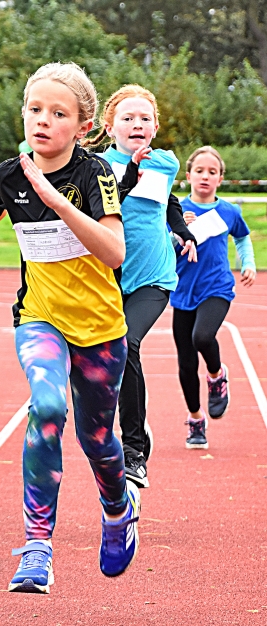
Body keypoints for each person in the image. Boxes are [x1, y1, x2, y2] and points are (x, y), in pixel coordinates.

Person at [0, 62, 141, 594]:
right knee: (47, 408)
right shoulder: (11, 173)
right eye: (34, 110)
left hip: (98, 328)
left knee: (97, 440)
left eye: (58, 113)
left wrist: (55, 201)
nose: (42, 121)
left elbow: (115, 252)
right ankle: (36, 547)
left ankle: (118, 509)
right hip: (39, 317)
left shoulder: (97, 177)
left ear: (84, 127)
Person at [87, 85, 197, 489]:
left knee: (126, 343)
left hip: (154, 276)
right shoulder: (94, 166)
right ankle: (124, 424)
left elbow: (166, 200)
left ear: (154, 127)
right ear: (109, 125)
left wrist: (182, 229)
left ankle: (133, 450)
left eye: (145, 118)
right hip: (108, 276)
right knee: (102, 358)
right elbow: (111, 203)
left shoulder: (165, 162)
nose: (137, 123)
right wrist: (129, 174)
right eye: (128, 117)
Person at [172, 146, 256, 449]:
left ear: (220, 178)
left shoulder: (229, 212)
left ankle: (217, 375)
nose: (205, 176)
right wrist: (181, 232)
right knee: (184, 363)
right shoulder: (176, 210)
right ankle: (196, 419)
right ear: (189, 175)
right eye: (199, 170)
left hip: (217, 287)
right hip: (182, 292)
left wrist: (247, 263)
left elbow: (243, 237)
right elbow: (164, 248)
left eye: (212, 172)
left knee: (203, 337)